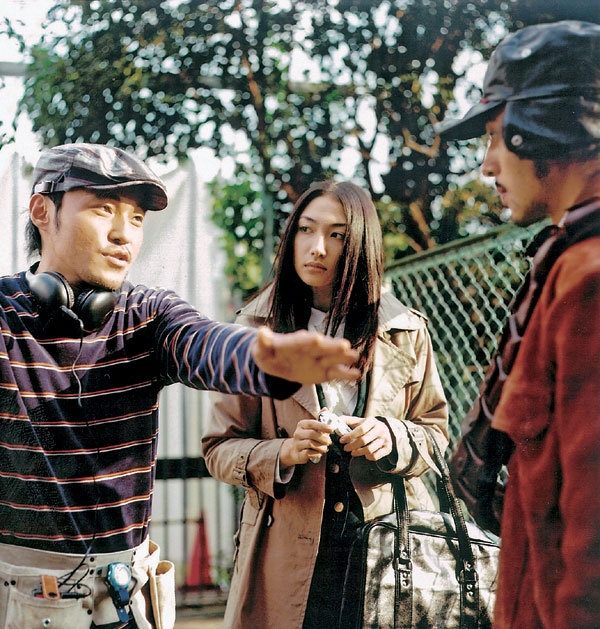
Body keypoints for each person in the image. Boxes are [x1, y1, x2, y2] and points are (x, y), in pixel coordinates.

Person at [0, 143, 362, 629]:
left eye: (136, 218)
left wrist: (264, 358)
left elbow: (204, 343)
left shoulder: (147, 314)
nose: (123, 234)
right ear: (43, 211)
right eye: (103, 209)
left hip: (123, 600)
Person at [202, 180, 449, 628]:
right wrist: (283, 452)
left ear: (360, 244)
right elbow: (219, 447)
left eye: (337, 235)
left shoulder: (405, 330)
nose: (317, 247)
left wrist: (391, 436)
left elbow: (435, 432)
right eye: (306, 229)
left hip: (389, 545)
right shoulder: (254, 329)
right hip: (287, 548)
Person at [435, 20, 600, 629]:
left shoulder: (589, 278)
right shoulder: (566, 262)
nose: (486, 166)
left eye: (494, 137)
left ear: (539, 126)